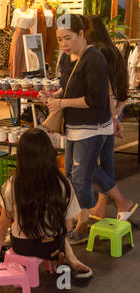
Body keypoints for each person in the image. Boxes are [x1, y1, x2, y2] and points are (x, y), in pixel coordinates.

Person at [42, 14, 114, 245]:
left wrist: (62, 103)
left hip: (93, 127)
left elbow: (96, 99)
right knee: (73, 175)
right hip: (73, 126)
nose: (63, 44)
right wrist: (54, 96)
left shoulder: (94, 59)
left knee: (81, 176)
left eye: (68, 38)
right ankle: (114, 203)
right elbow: (67, 87)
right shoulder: (66, 58)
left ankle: (84, 223)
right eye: (60, 39)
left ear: (82, 34)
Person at [0, 128, 92, 278]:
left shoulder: (13, 183)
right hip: (52, 245)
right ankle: (71, 259)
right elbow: (68, 226)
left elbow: (4, 222)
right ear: (50, 153)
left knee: (16, 231)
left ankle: (66, 257)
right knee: (57, 230)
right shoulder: (62, 183)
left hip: (23, 246)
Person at [80, 15, 138, 221]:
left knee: (84, 161)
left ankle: (119, 201)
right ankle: (103, 205)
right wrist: (117, 113)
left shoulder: (96, 52)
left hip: (101, 113)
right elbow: (123, 89)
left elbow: (107, 88)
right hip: (112, 111)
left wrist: (112, 116)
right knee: (105, 160)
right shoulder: (113, 51)